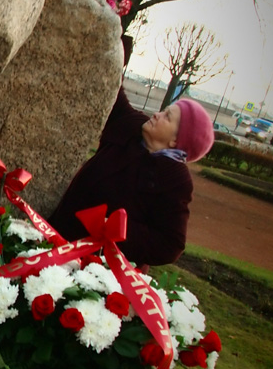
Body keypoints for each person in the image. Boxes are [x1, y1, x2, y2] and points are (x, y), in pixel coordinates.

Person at [48, 86, 215, 266]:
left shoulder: (174, 179)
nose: (157, 114)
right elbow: (112, 88)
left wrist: (116, 229)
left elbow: (170, 244)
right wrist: (119, 58)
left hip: (93, 269)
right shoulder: (132, 126)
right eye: (164, 111)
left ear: (176, 141)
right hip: (54, 236)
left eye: (167, 117)